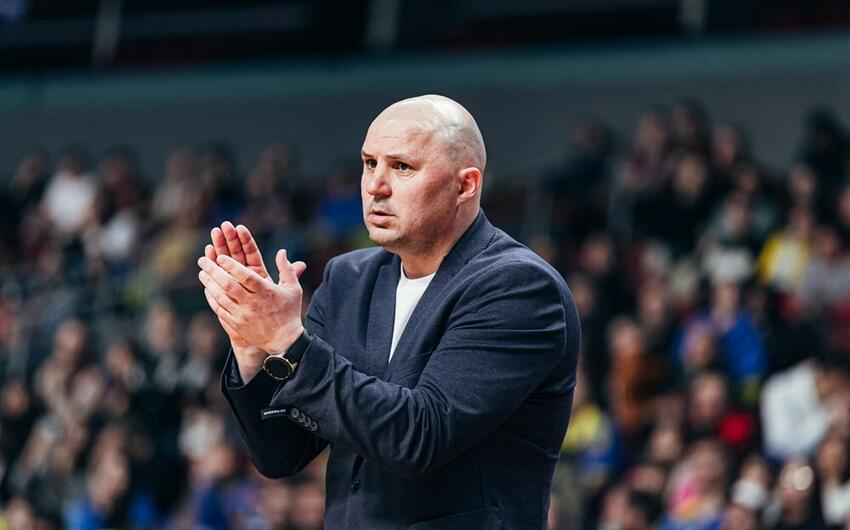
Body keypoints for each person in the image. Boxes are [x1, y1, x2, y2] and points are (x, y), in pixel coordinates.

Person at [196, 94, 580, 529]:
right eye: (369, 163)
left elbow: (419, 437)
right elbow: (282, 454)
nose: (376, 185)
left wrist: (287, 340)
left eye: (402, 167)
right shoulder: (347, 279)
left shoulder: (519, 287)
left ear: (465, 186)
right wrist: (252, 345)